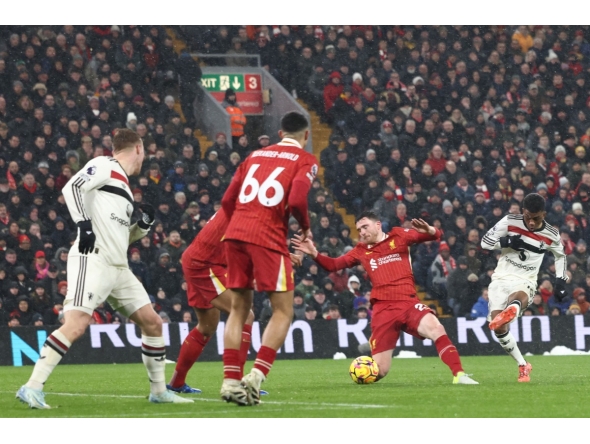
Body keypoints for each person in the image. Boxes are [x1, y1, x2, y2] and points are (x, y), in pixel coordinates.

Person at [16, 129, 192, 409]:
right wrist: (84, 225)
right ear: (137, 149)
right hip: (93, 257)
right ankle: (32, 387)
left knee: (153, 322)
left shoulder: (122, 186)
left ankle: (159, 391)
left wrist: (143, 225)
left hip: (118, 266)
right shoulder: (105, 165)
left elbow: (124, 238)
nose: (144, 157)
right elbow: (72, 187)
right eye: (144, 151)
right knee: (76, 325)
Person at [293, 210, 478, 385]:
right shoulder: (361, 250)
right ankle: (364, 364)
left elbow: (434, 235)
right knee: (379, 371)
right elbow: (334, 265)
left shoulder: (398, 236)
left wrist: (430, 230)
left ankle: (459, 374)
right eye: (359, 229)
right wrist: (315, 254)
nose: (362, 232)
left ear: (378, 225)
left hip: (408, 303)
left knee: (437, 328)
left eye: (365, 227)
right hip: (383, 311)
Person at [220, 111, 318, 406]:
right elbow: (298, 199)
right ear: (307, 136)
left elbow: (227, 200)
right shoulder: (305, 160)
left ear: (279, 134)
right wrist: (305, 228)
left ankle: (230, 382)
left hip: (235, 233)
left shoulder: (254, 155)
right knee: (283, 311)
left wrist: (239, 225)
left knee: (238, 310)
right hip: (267, 237)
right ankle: (256, 376)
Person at [166, 208, 302, 394]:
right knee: (245, 315)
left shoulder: (241, 204)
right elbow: (253, 243)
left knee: (206, 327)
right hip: (205, 264)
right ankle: (236, 382)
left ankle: (176, 383)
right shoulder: (246, 210)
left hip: (199, 259)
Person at [481, 193, 567, 383]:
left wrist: (561, 281)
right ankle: (523, 364)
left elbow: (561, 256)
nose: (531, 222)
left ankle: (514, 308)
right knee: (499, 328)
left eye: (535, 218)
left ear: (543, 214)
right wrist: (506, 242)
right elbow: (484, 243)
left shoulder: (551, 234)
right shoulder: (510, 221)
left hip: (525, 278)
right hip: (500, 278)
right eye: (527, 216)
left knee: (518, 296)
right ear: (522, 211)